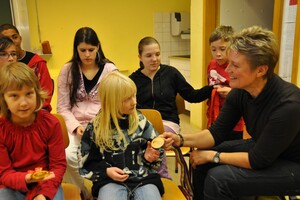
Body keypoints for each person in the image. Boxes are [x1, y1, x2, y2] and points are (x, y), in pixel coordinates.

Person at [162, 26, 300, 200]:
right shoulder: (241, 92)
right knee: (202, 155)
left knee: (219, 178)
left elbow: (257, 160)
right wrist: (181, 140)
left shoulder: (288, 105)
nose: (227, 71)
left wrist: (213, 156)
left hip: (293, 165)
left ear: (261, 70)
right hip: (266, 150)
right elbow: (216, 133)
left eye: (235, 65)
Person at [129, 36, 214, 179]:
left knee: (157, 137)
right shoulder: (133, 80)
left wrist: (213, 89)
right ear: (140, 57)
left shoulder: (171, 73)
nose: (154, 59)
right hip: (142, 124)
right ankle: (141, 178)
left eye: (157, 54)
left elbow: (192, 95)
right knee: (138, 140)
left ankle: (162, 177)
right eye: (149, 55)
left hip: (168, 123)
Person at [79, 71, 164, 200]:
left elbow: (157, 151)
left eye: (134, 96)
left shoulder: (141, 121)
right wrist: (106, 171)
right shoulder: (96, 127)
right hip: (110, 182)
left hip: (144, 180)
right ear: (111, 102)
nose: (134, 102)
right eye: (127, 99)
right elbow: (85, 162)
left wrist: (149, 157)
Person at [57, 27, 118, 198]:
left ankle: (100, 189)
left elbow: (115, 103)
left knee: (105, 158)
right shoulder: (68, 70)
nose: (87, 55)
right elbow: (62, 107)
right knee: (69, 157)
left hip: (104, 125)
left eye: (91, 50)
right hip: (76, 127)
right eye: (82, 50)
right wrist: (76, 127)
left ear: (98, 47)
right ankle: (84, 192)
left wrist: (99, 125)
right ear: (76, 49)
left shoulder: (110, 69)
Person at [0, 62, 66, 200]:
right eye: (14, 96)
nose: (23, 103)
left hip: (46, 183)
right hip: (11, 185)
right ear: (4, 99)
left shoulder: (50, 123)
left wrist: (44, 194)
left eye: (29, 94)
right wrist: (27, 178)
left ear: (37, 93)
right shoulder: (2, 129)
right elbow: (4, 173)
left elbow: (58, 166)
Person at [0, 24, 53, 112]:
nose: (12, 41)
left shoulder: (36, 63)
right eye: (3, 54)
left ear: (20, 38)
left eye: (14, 37)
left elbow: (45, 94)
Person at [207, 25, 244, 140]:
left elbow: (245, 92)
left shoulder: (237, 67)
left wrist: (231, 92)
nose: (218, 54)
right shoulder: (211, 65)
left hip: (234, 119)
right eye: (214, 49)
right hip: (214, 116)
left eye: (222, 49)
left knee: (231, 151)